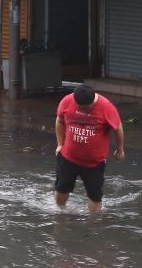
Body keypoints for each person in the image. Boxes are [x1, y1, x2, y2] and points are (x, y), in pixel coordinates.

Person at [53, 84, 125, 213]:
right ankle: (60, 213)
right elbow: (59, 120)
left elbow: (118, 128)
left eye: (86, 108)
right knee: (61, 189)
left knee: (94, 195)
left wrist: (120, 150)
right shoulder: (67, 101)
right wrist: (60, 144)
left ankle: (93, 222)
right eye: (79, 107)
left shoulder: (106, 106)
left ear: (93, 100)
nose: (83, 110)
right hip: (68, 157)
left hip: (94, 163)